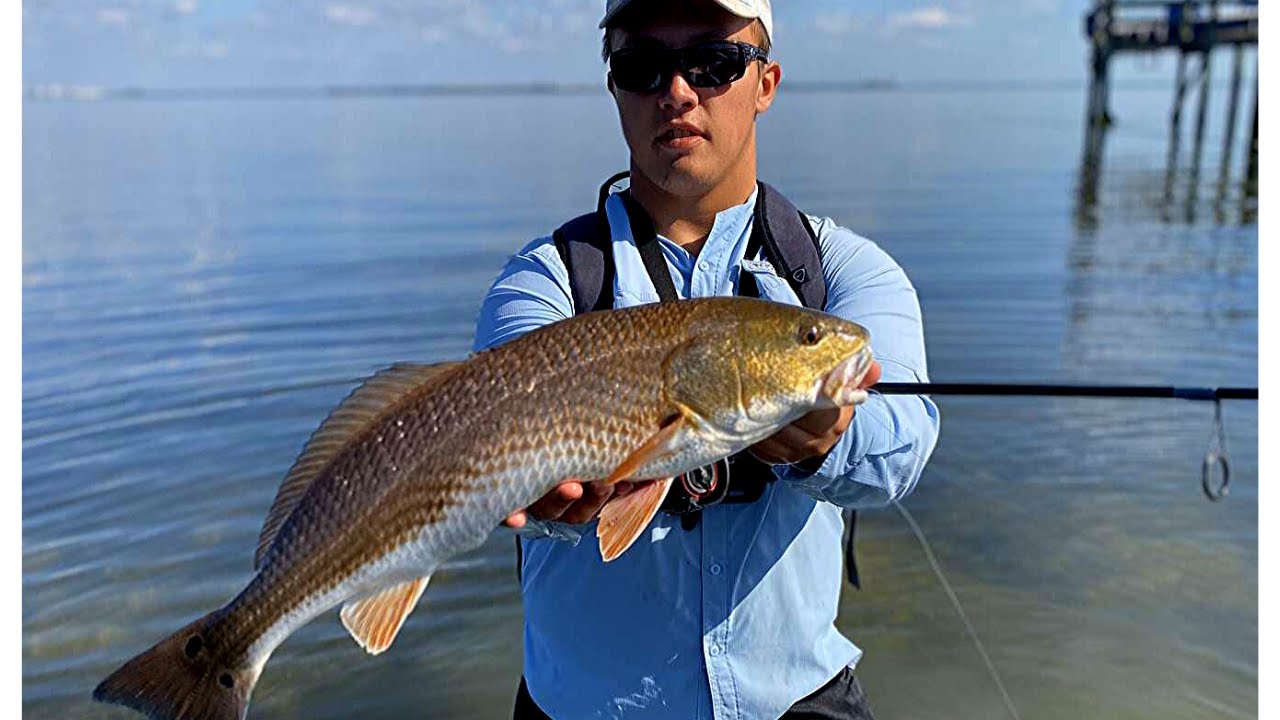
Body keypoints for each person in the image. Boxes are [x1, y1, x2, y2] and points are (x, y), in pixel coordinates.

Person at [473, 1, 940, 717]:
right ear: (613, 85)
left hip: (799, 700)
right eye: (642, 66)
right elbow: (493, 444)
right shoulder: (544, 284)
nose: (678, 92)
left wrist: (825, 446)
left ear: (767, 82)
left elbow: (902, 440)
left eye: (715, 63)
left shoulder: (842, 274)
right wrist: (541, 501)